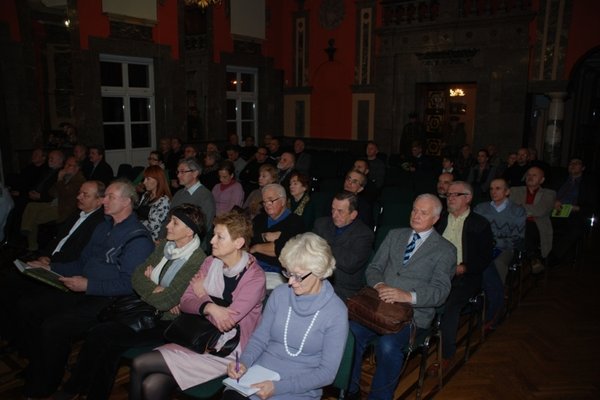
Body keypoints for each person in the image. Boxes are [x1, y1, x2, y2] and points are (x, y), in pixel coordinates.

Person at [55, 204, 208, 400]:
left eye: (174, 223)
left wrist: (155, 286)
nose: (167, 226)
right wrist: (155, 287)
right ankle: (85, 391)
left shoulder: (197, 260)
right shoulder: (164, 247)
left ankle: (75, 388)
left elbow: (165, 302)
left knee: (103, 337)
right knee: (106, 342)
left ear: (189, 230)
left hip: (166, 323)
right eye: (169, 220)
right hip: (141, 311)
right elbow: (136, 277)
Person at [20, 180, 155, 398]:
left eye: (110, 196)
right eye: (105, 196)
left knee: (54, 326)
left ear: (127, 202)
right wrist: (50, 266)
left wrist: (89, 285)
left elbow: (130, 284)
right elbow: (82, 263)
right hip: (84, 288)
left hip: (109, 300)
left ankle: (43, 387)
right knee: (34, 309)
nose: (104, 200)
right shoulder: (103, 226)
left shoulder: (138, 238)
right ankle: (40, 371)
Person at [130, 210, 266, 399]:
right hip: (197, 337)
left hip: (228, 350)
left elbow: (227, 322)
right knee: (152, 383)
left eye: (220, 237)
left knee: (141, 363)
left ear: (239, 243)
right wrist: (210, 307)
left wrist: (202, 295)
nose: (211, 241)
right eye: (213, 235)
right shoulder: (210, 262)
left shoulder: (254, 277)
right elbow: (185, 302)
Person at [348, 194, 456, 400]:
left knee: (387, 345)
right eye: (414, 209)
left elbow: (440, 292)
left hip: (413, 315)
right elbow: (374, 267)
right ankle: (351, 390)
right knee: (350, 332)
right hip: (378, 306)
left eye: (423, 213)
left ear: (435, 219)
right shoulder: (394, 235)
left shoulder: (446, 250)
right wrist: (380, 285)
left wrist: (407, 296)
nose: (416, 215)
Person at [224, 232, 348, 400]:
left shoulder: (336, 312)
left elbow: (327, 373)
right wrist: (244, 363)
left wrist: (279, 387)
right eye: (288, 273)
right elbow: (260, 338)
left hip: (300, 387)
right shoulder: (280, 295)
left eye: (298, 276)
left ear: (319, 272)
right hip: (260, 375)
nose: (290, 282)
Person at [432, 181, 493, 373]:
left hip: (465, 277)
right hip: (436, 272)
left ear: (468, 198)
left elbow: (485, 258)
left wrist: (464, 268)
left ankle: (446, 355)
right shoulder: (440, 219)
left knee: (450, 306)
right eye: (448, 194)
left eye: (454, 195)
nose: (449, 198)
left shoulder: (480, 224)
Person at [474, 178, 526, 329]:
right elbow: (475, 233)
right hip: (483, 248)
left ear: (507, 191)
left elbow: (517, 238)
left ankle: (496, 305)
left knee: (497, 264)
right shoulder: (481, 208)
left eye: (498, 188)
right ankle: (484, 300)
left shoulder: (517, 210)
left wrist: (495, 242)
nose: (493, 192)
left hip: (505, 249)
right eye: (491, 189)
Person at [312, 192, 374, 300]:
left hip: (343, 288)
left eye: (340, 211)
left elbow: (349, 264)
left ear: (353, 214)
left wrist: (322, 246)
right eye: (333, 209)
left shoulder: (364, 234)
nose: (334, 215)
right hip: (314, 279)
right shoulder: (321, 224)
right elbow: (309, 250)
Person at [20, 155, 85, 251]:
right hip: (54, 204)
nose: (66, 167)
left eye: (69, 165)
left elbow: (65, 193)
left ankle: (31, 245)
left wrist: (59, 179)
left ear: (77, 168)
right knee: (31, 206)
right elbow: (51, 192)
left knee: (32, 218)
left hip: (63, 209)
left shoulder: (80, 180)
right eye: (66, 164)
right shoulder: (66, 177)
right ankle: (26, 229)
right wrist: (60, 182)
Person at [548, 157, 598, 267]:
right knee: (541, 222)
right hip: (555, 210)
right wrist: (553, 201)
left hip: (575, 213)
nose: (573, 165)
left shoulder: (589, 184)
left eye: (577, 163)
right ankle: (541, 253)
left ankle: (554, 256)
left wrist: (577, 208)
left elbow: (592, 205)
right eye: (571, 163)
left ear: (583, 168)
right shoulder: (559, 180)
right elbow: (547, 194)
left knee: (575, 228)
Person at [250, 183, 305, 274]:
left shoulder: (295, 222)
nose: (267, 205)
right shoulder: (259, 218)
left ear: (283, 201)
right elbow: (248, 239)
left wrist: (256, 247)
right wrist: (265, 236)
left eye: (271, 200)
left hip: (276, 271)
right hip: (253, 266)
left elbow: (281, 249)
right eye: (264, 201)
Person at [510, 166, 556, 272]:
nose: (530, 177)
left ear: (542, 180)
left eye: (534, 175)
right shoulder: (515, 190)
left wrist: (520, 208)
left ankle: (519, 264)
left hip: (537, 227)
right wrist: (528, 211)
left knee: (526, 227)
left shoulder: (549, 193)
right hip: (515, 226)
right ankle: (533, 257)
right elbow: (511, 208)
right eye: (529, 175)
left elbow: (540, 210)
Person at [164, 158, 215, 245]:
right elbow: (168, 220)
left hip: (191, 246)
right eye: (178, 172)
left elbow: (203, 229)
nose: (178, 175)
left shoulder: (205, 196)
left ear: (195, 173)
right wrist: (162, 239)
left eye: (183, 172)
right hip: (171, 241)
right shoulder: (178, 194)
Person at [136, 165, 172, 241]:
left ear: (158, 180)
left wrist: (135, 223)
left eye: (148, 179)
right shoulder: (146, 195)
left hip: (152, 239)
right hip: (140, 232)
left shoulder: (164, 201)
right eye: (144, 178)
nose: (144, 182)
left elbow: (154, 228)